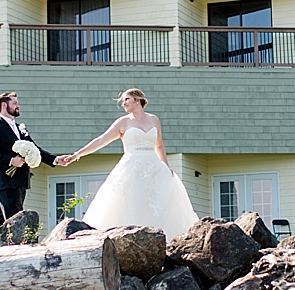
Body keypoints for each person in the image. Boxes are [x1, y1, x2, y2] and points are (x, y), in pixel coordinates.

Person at [60, 88, 198, 240]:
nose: (124, 103)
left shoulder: (153, 119)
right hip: (131, 167)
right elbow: (101, 140)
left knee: (158, 205)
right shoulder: (123, 122)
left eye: (126, 99)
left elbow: (159, 145)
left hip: (154, 168)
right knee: (130, 203)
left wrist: (165, 166)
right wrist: (76, 155)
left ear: (137, 100)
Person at [0, 92, 70, 221]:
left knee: (4, 222)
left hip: (21, 181)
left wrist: (56, 160)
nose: (18, 106)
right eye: (15, 103)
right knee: (15, 221)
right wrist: (11, 161)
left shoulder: (20, 128)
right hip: (6, 182)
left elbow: (35, 149)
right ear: (4, 105)